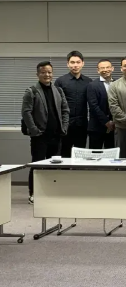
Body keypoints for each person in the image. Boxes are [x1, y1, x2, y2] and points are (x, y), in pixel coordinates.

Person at [21, 61, 69, 204]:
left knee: (53, 167)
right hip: (40, 137)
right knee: (37, 165)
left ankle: (51, 192)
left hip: (56, 136)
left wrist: (64, 127)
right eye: (43, 72)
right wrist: (34, 130)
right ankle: (33, 193)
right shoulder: (31, 91)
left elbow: (65, 110)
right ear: (38, 74)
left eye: (49, 72)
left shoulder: (58, 91)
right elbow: (26, 113)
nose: (47, 75)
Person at [54, 50, 92, 156]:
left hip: (82, 125)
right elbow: (56, 105)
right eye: (72, 62)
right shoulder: (60, 81)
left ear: (83, 63)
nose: (75, 65)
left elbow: (92, 104)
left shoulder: (89, 82)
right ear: (68, 64)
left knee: (80, 155)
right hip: (65, 125)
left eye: (78, 62)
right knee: (64, 154)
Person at [87, 59, 116, 149]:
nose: (105, 70)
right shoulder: (92, 85)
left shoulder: (117, 83)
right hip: (96, 127)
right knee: (95, 155)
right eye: (102, 68)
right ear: (98, 70)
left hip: (115, 126)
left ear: (112, 68)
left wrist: (114, 121)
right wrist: (106, 122)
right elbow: (93, 106)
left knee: (112, 155)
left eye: (108, 67)